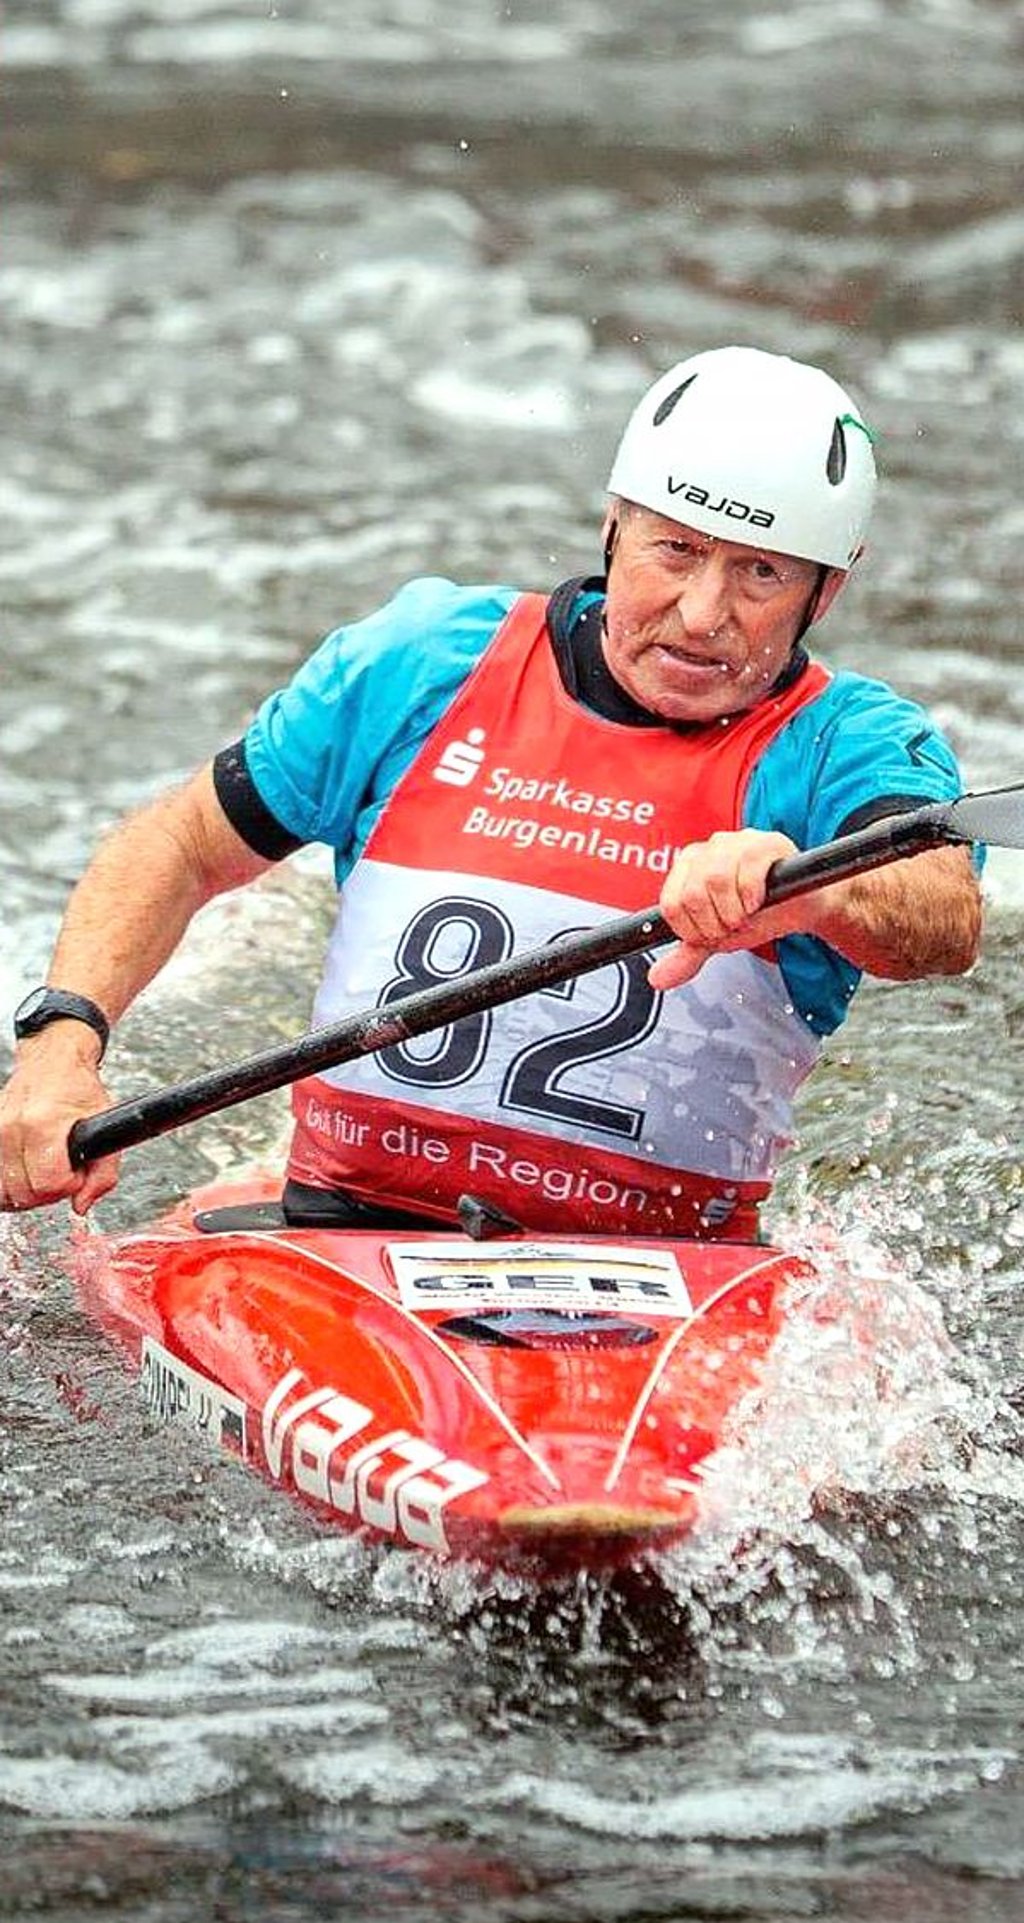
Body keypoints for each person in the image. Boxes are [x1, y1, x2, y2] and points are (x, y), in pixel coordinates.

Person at [0, 345, 981, 1239]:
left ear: (827, 592)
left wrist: (809, 887)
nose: (701, 613)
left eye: (759, 573)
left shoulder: (850, 744)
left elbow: (940, 914)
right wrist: (61, 1041)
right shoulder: (428, 659)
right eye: (673, 551)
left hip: (670, 1273)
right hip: (342, 1228)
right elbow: (180, 844)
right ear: (612, 527)